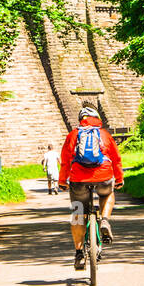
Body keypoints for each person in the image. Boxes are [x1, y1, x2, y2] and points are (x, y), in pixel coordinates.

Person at [58, 105, 124, 270]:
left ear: (81, 120)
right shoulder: (105, 135)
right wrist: (119, 179)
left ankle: (79, 253)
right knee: (107, 194)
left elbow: (65, 160)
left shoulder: (73, 135)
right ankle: (105, 221)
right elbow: (116, 159)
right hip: (103, 175)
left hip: (78, 179)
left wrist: (62, 181)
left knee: (78, 212)